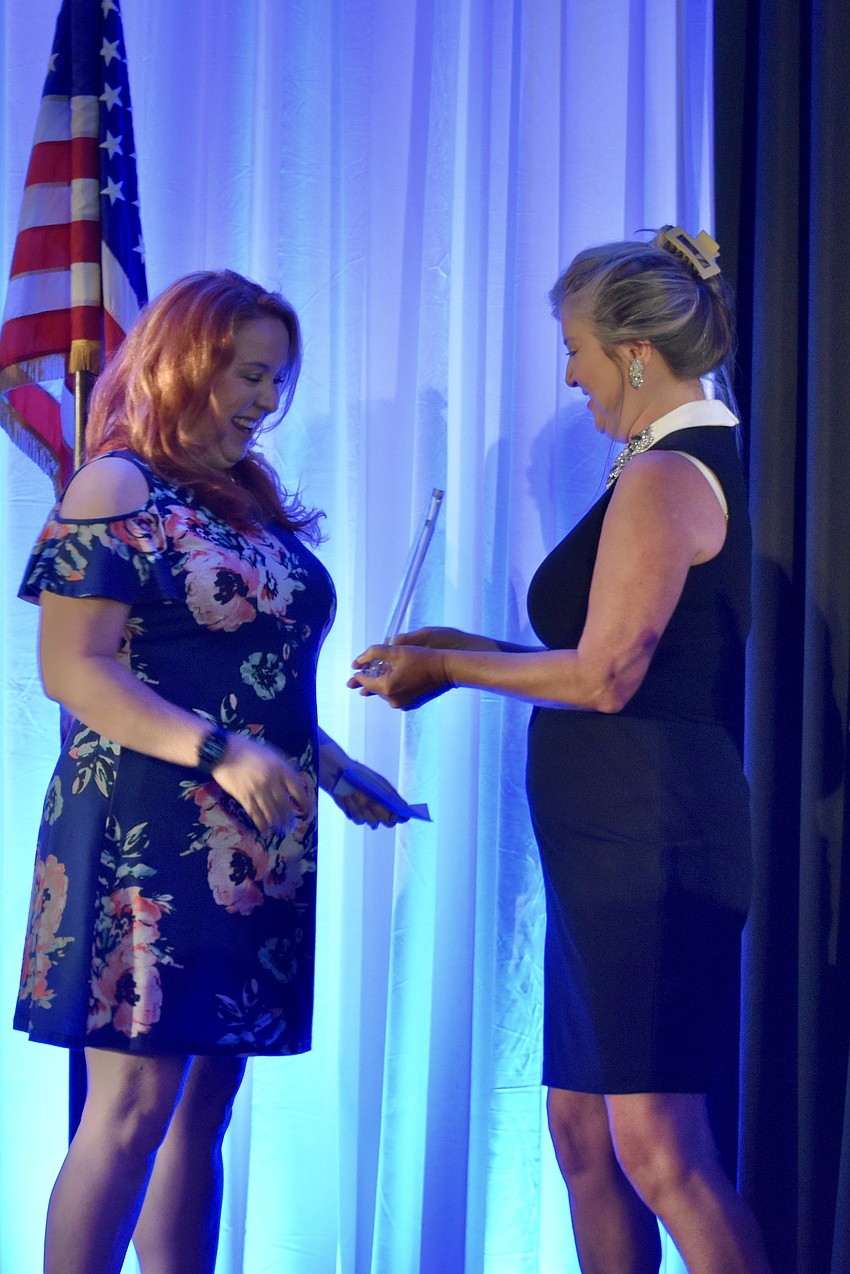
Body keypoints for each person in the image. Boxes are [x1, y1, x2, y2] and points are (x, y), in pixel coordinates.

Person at [350, 228, 771, 1273]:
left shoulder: (669, 473)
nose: (570, 371)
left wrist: (453, 672)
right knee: (584, 1137)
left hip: (652, 846)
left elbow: (606, 676)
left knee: (660, 1145)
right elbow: (602, 655)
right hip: (608, 851)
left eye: (576, 346)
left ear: (633, 352)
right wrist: (464, 645)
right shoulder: (660, 466)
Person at [15, 270, 405, 1274]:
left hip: (253, 836)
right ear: (186, 361)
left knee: (202, 1110)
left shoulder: (243, 497)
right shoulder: (115, 486)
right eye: (248, 374)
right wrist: (221, 752)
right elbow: (74, 668)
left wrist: (330, 763)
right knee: (133, 1105)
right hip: (144, 832)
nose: (265, 399)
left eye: (276, 379)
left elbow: (249, 676)